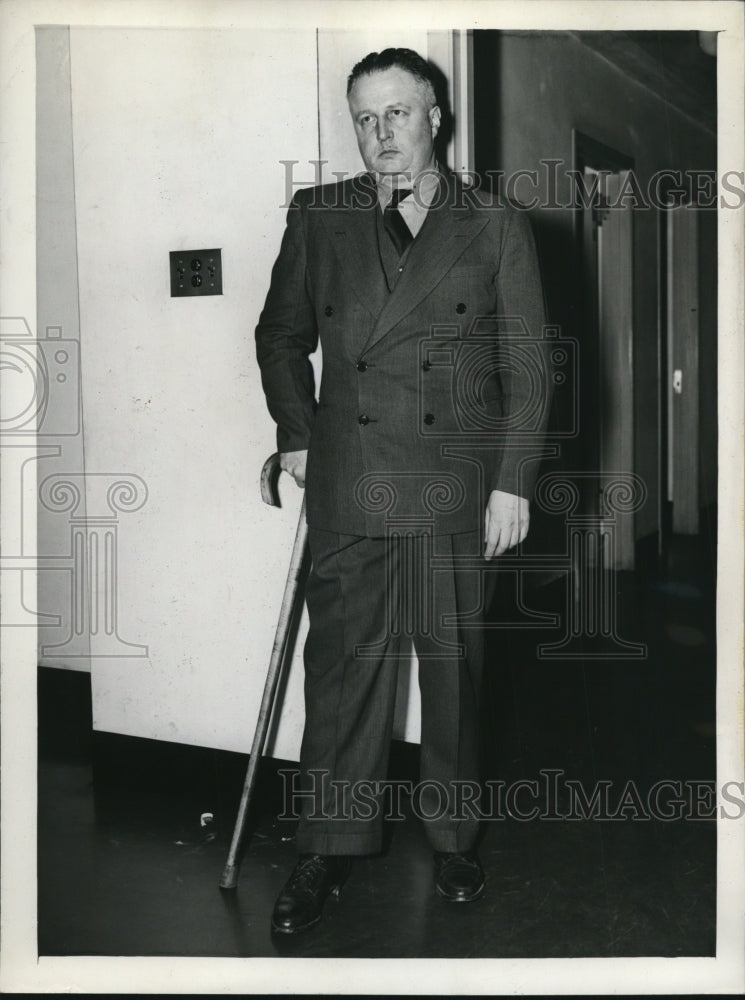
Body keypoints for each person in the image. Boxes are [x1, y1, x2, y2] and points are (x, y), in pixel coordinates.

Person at [255, 47, 550, 935]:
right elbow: (277, 335)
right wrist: (300, 436)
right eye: (365, 118)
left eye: (397, 114)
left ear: (436, 117)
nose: (381, 134)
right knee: (342, 675)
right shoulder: (321, 215)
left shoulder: (492, 223)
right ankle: (327, 848)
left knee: (453, 672)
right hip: (349, 485)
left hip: (456, 490)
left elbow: (528, 367)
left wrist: (512, 483)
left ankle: (454, 835)